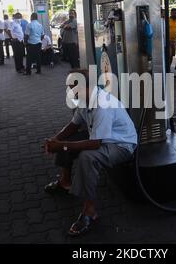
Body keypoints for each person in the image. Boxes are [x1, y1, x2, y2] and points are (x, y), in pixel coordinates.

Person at [44, 69, 137, 236]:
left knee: (87, 157)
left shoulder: (103, 104)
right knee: (67, 141)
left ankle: (90, 210)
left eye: (72, 88)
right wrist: (55, 140)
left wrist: (62, 146)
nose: (69, 92)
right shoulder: (84, 100)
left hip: (122, 145)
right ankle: (65, 182)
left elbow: (94, 144)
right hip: (102, 138)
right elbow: (73, 125)